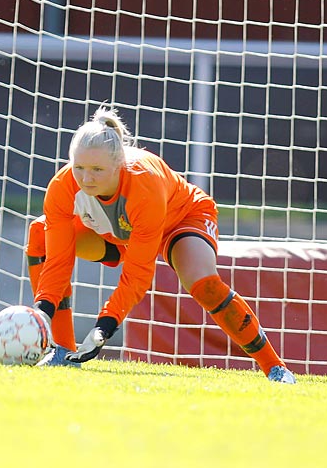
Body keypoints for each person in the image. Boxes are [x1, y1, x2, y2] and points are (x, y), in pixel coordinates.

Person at [27, 107, 296, 384]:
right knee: (39, 232)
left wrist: (104, 326)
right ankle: (62, 351)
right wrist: (42, 313)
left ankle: (275, 367)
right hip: (121, 235)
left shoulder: (144, 184)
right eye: (80, 168)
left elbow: (138, 275)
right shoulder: (62, 185)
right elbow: (58, 261)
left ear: (119, 164)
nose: (86, 178)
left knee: (204, 284)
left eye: (97, 170)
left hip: (179, 221)